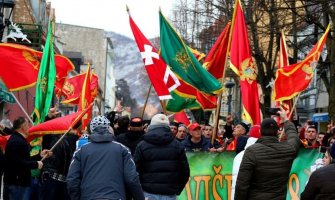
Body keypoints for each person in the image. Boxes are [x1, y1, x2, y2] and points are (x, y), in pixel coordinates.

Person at [67, 115, 144, 200]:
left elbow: (72, 180)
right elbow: (132, 179)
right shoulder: (123, 149)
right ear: (108, 128)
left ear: (91, 130)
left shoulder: (81, 151)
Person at [234, 107, 300, 200]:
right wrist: (286, 120)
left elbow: (242, 184)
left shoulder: (251, 151)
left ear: (260, 132)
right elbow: (293, 137)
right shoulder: (289, 149)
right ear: (277, 132)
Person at [134, 113, 190, 199]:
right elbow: (185, 171)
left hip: (148, 192)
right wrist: (177, 189)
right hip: (169, 194)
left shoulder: (142, 145)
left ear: (151, 126)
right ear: (168, 127)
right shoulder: (177, 145)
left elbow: (135, 170)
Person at [3, 117, 51, 200]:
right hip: (17, 183)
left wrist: (40, 156)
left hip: (17, 183)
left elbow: (25, 159)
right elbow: (17, 163)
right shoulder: (17, 141)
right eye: (28, 124)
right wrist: (36, 164)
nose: (29, 127)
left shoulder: (18, 139)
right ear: (23, 127)